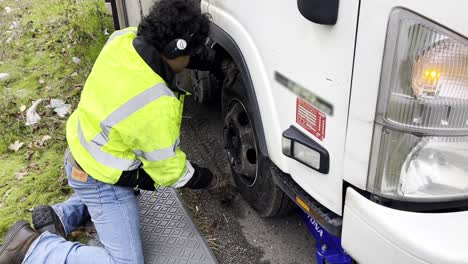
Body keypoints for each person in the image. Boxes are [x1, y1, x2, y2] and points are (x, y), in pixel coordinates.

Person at [0, 0, 231, 263]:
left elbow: (172, 52)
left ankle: (62, 216)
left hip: (82, 152)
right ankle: (33, 250)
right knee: (125, 262)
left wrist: (213, 62)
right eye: (190, 54)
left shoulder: (124, 40)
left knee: (128, 188)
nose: (190, 60)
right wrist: (210, 180)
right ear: (175, 49)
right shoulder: (157, 105)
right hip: (101, 178)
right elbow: (171, 172)